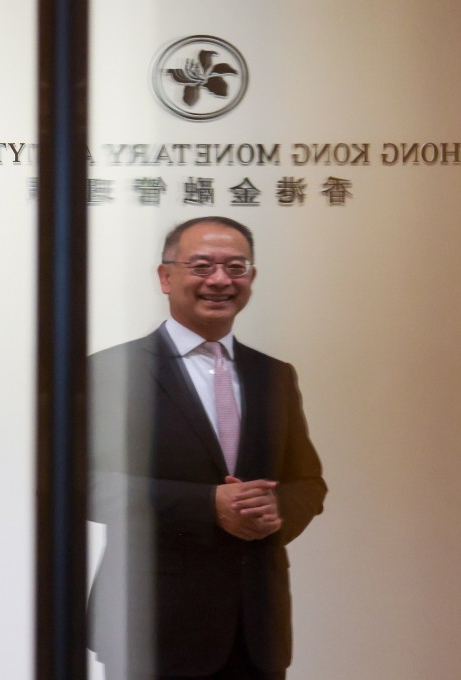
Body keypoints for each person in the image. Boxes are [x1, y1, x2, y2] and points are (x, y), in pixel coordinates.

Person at [88, 216, 327, 680]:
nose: (220, 280)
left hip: (257, 628)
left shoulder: (274, 375)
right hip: (150, 624)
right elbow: (80, 485)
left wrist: (277, 508)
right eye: (201, 265)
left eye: (236, 267)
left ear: (251, 279)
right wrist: (206, 504)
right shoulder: (112, 370)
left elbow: (310, 481)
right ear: (165, 276)